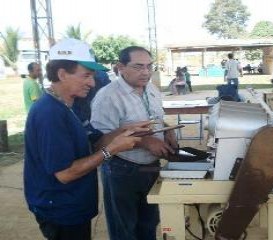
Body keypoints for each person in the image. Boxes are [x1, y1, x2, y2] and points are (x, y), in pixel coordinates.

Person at [23, 38, 145, 240]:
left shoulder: (71, 106)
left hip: (73, 204)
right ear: (62, 74)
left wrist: (124, 130)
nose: (92, 82)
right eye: (86, 76)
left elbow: (95, 141)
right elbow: (65, 173)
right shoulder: (49, 114)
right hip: (60, 210)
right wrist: (111, 150)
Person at [90, 46, 178, 240]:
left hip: (151, 167)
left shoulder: (151, 88)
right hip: (122, 170)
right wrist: (144, 142)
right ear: (120, 67)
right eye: (138, 67)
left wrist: (167, 129)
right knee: (125, 229)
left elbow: (157, 116)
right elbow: (100, 142)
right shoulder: (107, 97)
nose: (146, 72)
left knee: (148, 225)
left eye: (149, 66)